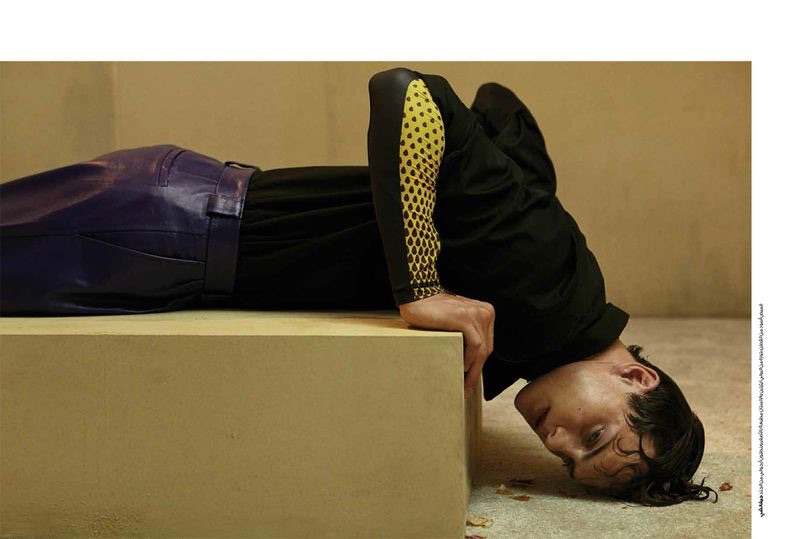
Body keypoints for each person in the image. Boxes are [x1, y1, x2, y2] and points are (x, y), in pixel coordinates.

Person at [0, 67, 715, 505]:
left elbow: (502, 109)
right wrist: (419, 284)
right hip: (163, 230)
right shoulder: (547, 279)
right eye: (594, 434)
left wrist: (508, 189)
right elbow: (409, 93)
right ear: (637, 375)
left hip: (173, 240)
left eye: (567, 461)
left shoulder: (549, 306)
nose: (557, 440)